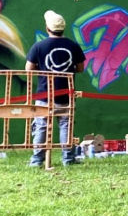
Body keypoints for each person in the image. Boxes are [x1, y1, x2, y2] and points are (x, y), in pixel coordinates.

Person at [26, 9, 85, 167]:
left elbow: (28, 69)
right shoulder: (73, 46)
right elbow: (80, 68)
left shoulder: (38, 46)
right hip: (66, 95)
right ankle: (68, 159)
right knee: (66, 126)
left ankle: (37, 160)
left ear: (47, 28)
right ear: (63, 29)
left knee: (41, 127)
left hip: (44, 95)